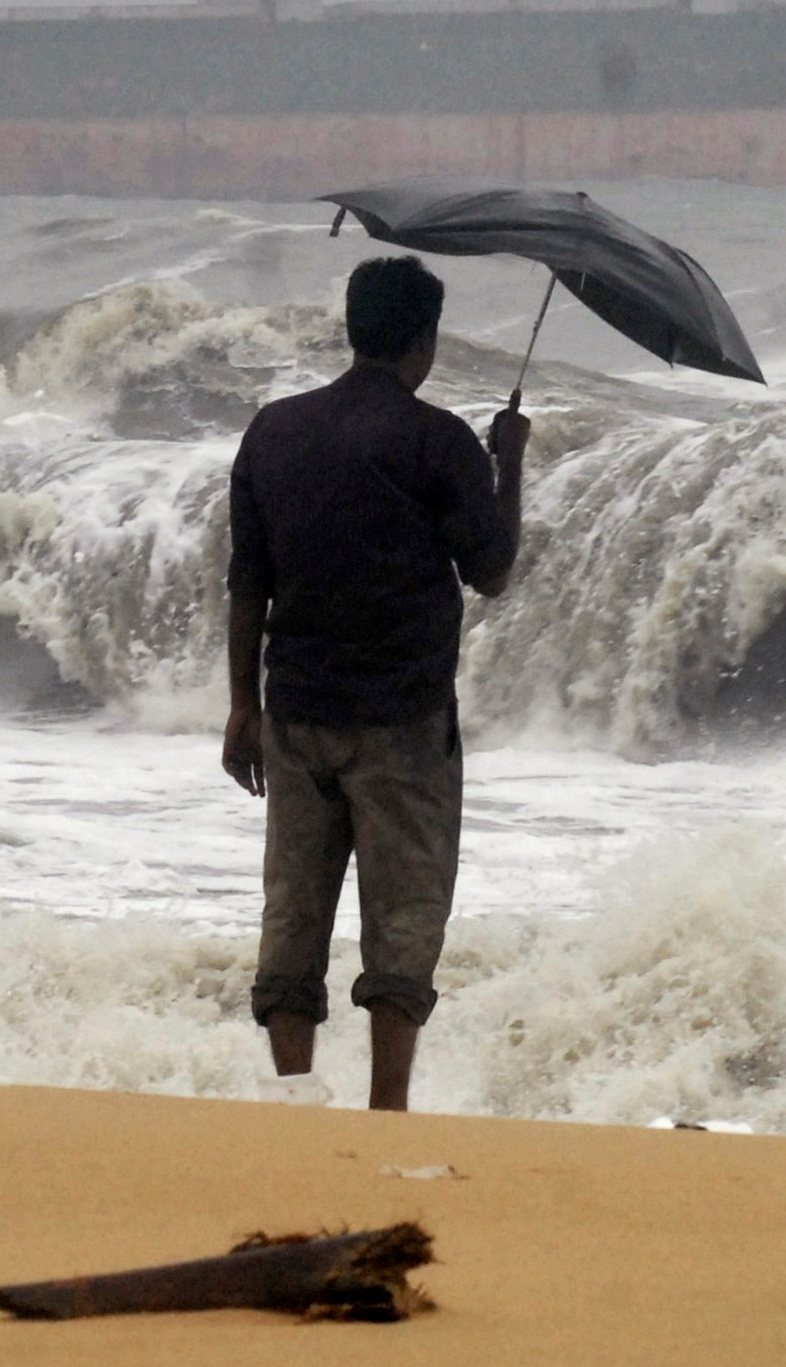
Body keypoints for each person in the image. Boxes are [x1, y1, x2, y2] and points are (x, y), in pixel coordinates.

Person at [222, 254, 529, 1111]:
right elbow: (493, 570)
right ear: (424, 340)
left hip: (294, 713)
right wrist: (511, 465)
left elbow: (249, 580)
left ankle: (294, 1101)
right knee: (403, 921)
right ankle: (386, 1109)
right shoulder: (439, 442)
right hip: (402, 722)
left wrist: (243, 705)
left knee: (293, 913)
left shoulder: (273, 431)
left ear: (354, 329)